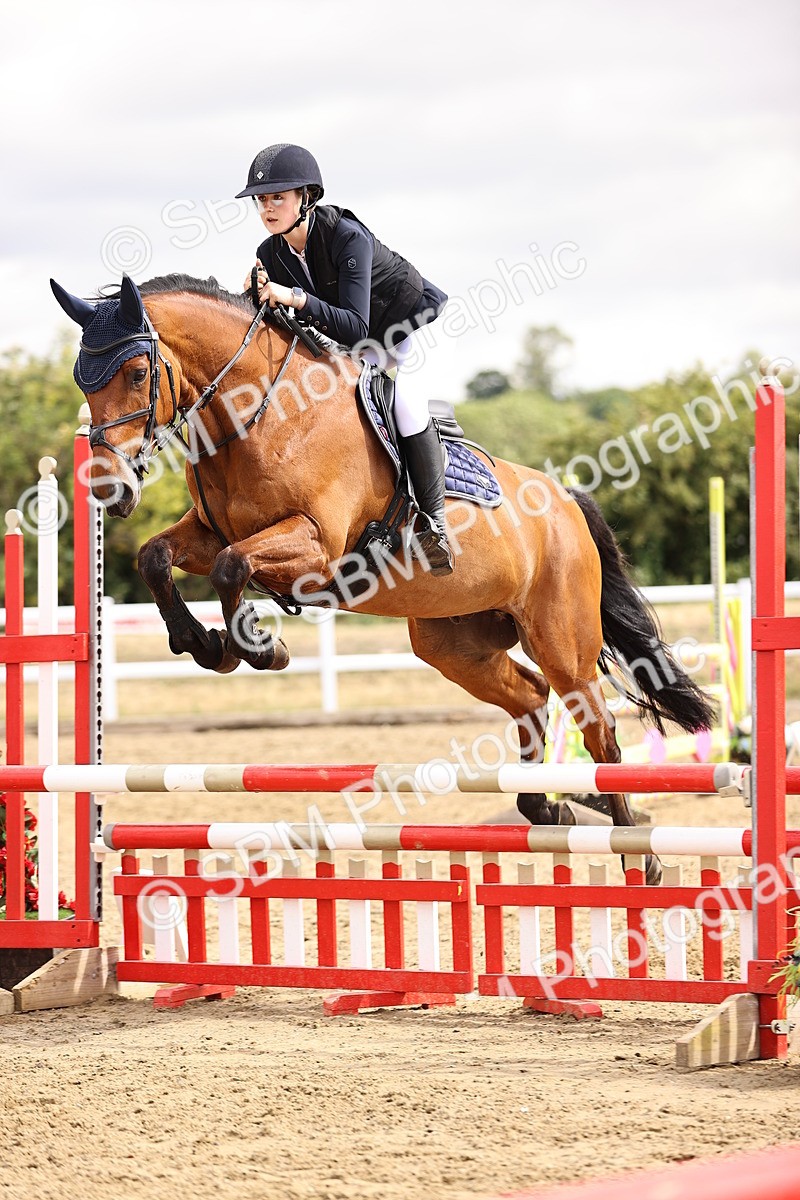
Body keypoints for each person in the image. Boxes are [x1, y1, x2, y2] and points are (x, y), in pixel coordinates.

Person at [236, 143, 454, 575]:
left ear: (306, 198)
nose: (267, 208)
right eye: (262, 200)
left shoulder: (346, 236)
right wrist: (257, 299)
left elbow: (353, 324)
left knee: (406, 406)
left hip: (412, 328)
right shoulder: (270, 254)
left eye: (277, 197)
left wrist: (293, 297)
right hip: (363, 345)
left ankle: (436, 528)